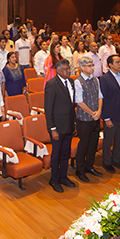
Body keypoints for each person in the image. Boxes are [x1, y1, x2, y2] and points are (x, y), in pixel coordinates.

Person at [44, 59, 76, 193]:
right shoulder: (52, 84)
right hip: (57, 127)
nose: (68, 71)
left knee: (65, 153)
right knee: (56, 154)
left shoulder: (71, 82)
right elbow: (48, 109)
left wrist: (74, 122)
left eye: (69, 69)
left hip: (69, 124)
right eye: (65, 69)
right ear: (58, 70)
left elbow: (71, 105)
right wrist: (52, 129)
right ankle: (54, 179)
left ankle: (63, 176)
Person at [73, 57, 103, 182]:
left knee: (93, 144)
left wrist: (99, 111)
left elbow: (100, 96)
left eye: (92, 65)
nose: (92, 68)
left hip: (96, 117)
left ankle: (89, 166)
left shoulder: (95, 79)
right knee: (84, 144)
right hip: (84, 119)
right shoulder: (78, 82)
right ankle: (79, 170)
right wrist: (92, 113)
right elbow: (79, 101)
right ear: (82, 67)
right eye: (89, 66)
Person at [99, 55, 120, 173]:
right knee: (108, 139)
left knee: (119, 137)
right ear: (110, 65)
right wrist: (106, 118)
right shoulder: (104, 79)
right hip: (111, 114)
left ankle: (116, 159)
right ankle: (106, 162)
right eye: (117, 62)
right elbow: (104, 99)